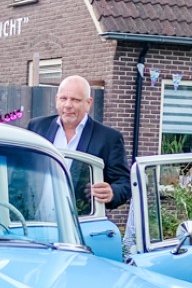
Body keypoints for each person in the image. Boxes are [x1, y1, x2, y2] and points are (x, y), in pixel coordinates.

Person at [28, 75, 131, 210]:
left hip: (80, 220)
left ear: (89, 103)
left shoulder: (108, 138)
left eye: (75, 100)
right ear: (56, 100)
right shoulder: (37, 127)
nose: (68, 105)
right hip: (32, 218)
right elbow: (18, 174)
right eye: (63, 98)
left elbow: (124, 183)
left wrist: (112, 192)